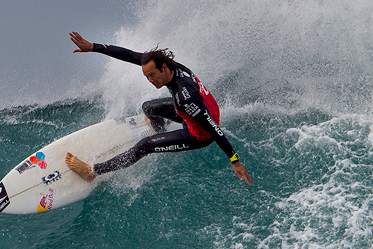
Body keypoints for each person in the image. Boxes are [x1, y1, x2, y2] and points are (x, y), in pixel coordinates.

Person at [64, 31, 253, 185]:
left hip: (200, 134)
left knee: (145, 145)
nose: (150, 80)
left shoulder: (185, 97)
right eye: (146, 76)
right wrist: (94, 47)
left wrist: (234, 160)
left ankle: (92, 171)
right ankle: (160, 133)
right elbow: (130, 55)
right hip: (199, 111)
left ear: (163, 68)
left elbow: (213, 129)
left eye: (152, 75)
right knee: (148, 107)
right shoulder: (173, 67)